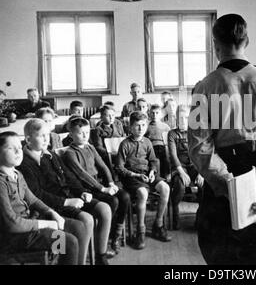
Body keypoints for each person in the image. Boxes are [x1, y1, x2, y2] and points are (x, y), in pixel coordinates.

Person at [188, 13, 256, 265]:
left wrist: (230, 186)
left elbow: (199, 148)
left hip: (223, 180)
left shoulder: (204, 88)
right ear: (246, 41)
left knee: (221, 256)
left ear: (215, 45)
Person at [17, 119, 113, 265]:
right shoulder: (24, 163)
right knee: (87, 220)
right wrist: (66, 201)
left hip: (69, 196)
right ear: (28, 139)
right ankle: (79, 261)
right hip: (51, 205)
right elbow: (37, 195)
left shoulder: (50, 154)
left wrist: (81, 192)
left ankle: (101, 255)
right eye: (41, 135)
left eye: (47, 135)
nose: (46, 139)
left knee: (104, 208)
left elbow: (69, 176)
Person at [0, 131, 79, 265]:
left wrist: (52, 213)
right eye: (11, 148)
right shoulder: (1, 183)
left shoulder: (17, 174)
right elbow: (11, 224)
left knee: (67, 230)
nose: (18, 152)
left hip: (28, 225)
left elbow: (33, 200)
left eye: (19, 147)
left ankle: (56, 257)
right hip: (13, 237)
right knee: (69, 242)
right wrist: (46, 224)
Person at [63, 117, 130, 255]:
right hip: (85, 189)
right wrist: (103, 188)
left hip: (98, 184)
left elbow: (103, 165)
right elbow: (82, 174)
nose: (85, 136)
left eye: (87, 132)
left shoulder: (90, 147)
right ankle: (102, 240)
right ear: (71, 135)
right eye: (80, 133)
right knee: (113, 200)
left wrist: (111, 182)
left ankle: (114, 235)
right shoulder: (70, 153)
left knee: (125, 196)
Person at [115, 111, 172, 250]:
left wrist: (152, 172)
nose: (140, 129)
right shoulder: (125, 144)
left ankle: (158, 224)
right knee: (143, 193)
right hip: (132, 178)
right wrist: (135, 175)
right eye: (136, 126)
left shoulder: (147, 142)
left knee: (165, 188)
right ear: (130, 127)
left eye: (143, 125)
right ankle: (140, 230)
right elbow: (119, 168)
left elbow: (153, 160)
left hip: (147, 174)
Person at [168, 105, 204, 230]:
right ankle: (175, 211)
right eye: (180, 118)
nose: (183, 121)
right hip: (179, 167)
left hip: (195, 166)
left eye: (186, 118)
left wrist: (201, 172)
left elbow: (201, 153)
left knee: (204, 185)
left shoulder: (196, 132)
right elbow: (173, 155)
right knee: (179, 184)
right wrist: (181, 172)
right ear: (176, 118)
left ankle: (200, 215)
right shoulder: (172, 134)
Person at [91, 105, 125, 169]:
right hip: (107, 155)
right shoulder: (98, 129)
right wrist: (109, 153)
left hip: (121, 151)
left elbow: (123, 138)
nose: (111, 117)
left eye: (113, 115)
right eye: (107, 116)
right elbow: (98, 147)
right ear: (101, 117)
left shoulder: (118, 125)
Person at [145, 104, 171, 181]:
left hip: (164, 148)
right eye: (152, 113)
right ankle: (158, 180)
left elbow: (169, 141)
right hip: (152, 148)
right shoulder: (146, 126)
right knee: (156, 163)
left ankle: (166, 179)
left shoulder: (165, 126)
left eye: (157, 113)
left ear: (161, 114)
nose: (154, 115)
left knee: (166, 160)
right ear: (149, 113)